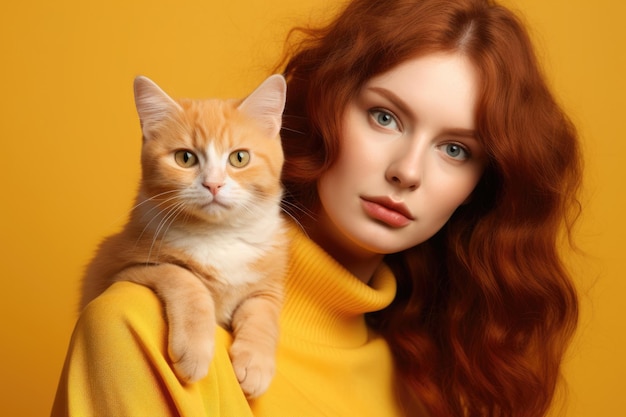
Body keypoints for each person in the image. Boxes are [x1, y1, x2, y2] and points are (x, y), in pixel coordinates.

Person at [51, 0, 582, 416]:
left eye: (455, 149)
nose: (409, 171)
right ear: (320, 107)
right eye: (384, 117)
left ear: (478, 186)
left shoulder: (426, 377)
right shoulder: (142, 326)